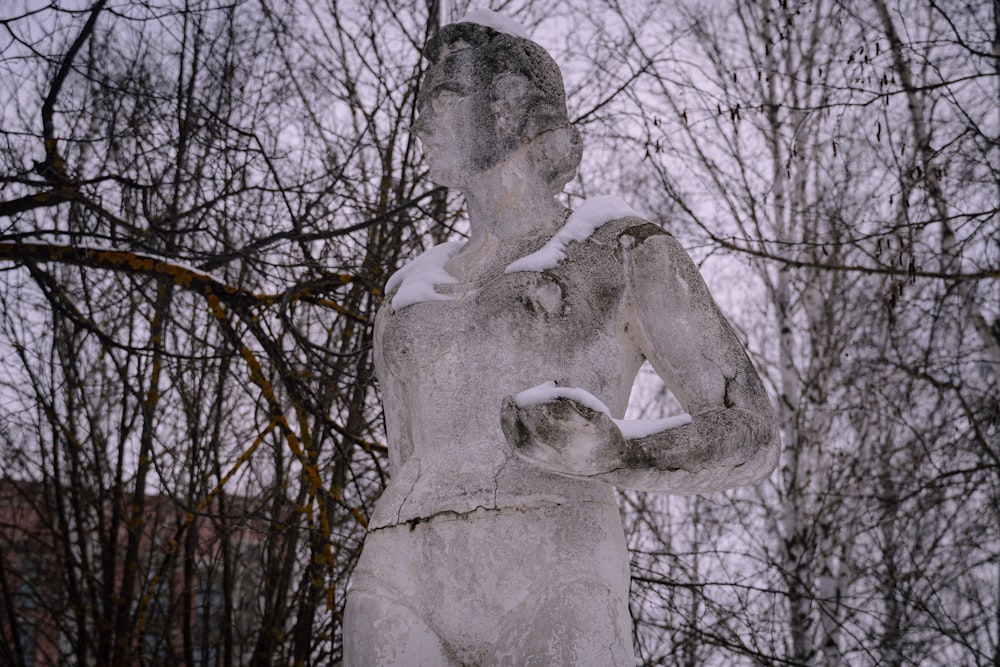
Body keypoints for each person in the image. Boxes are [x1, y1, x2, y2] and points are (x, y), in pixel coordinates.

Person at [343, 13, 779, 665]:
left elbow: (754, 431)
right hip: (401, 568)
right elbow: (405, 451)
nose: (420, 123)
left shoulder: (620, 251)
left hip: (555, 561)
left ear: (512, 107)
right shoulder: (407, 293)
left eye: (443, 99)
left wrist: (616, 454)